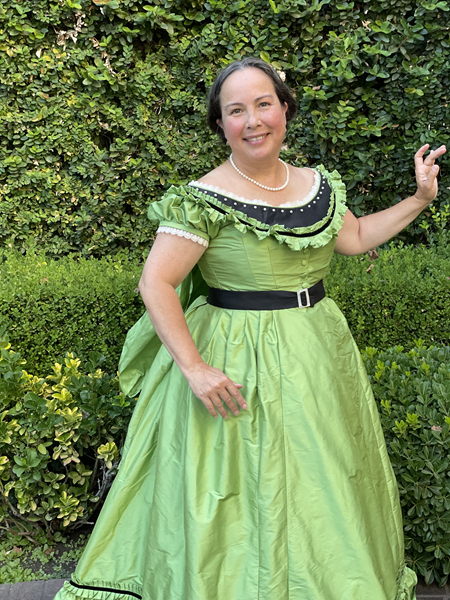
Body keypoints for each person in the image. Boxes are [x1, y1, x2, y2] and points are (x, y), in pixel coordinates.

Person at [54, 57, 446, 600]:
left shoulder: (316, 185)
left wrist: (420, 200)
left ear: (285, 110)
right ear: (221, 124)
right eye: (235, 110)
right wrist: (194, 369)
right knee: (235, 492)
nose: (252, 120)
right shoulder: (204, 198)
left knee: (321, 482)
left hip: (317, 355)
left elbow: (354, 238)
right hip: (233, 359)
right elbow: (156, 284)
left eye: (263, 104)